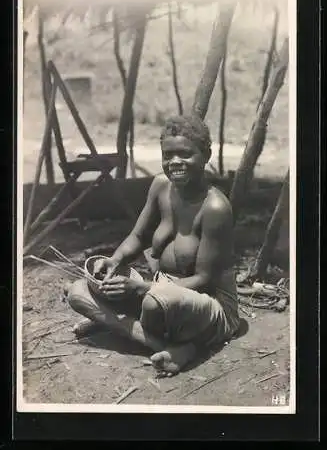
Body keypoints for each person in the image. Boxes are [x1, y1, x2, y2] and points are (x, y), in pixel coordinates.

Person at [68, 114, 240, 376]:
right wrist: (114, 261)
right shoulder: (160, 186)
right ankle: (167, 344)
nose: (175, 162)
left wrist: (142, 288)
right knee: (78, 291)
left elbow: (204, 279)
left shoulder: (215, 208)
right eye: (168, 155)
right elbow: (137, 238)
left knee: (153, 302)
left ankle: (120, 324)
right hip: (160, 294)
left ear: (206, 155)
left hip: (209, 305)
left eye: (185, 154)